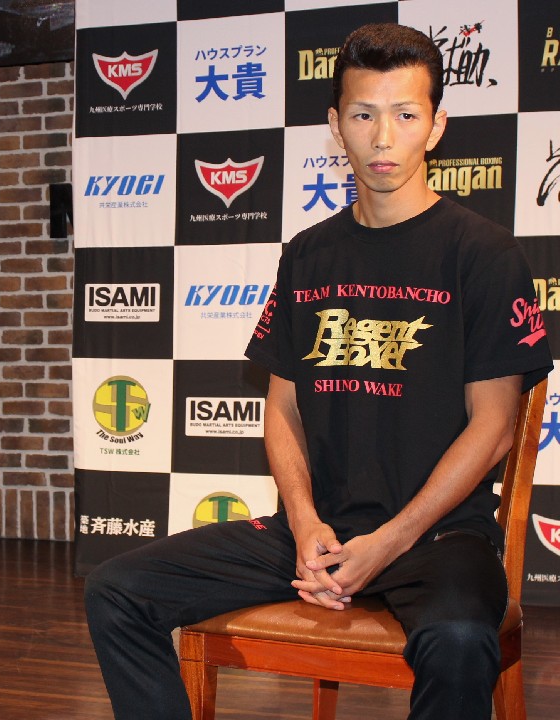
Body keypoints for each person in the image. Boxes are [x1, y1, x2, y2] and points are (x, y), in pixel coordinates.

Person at [85, 22, 552, 720]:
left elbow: (494, 428)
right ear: (336, 126)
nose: (383, 137)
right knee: (116, 590)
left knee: (458, 640)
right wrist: (304, 524)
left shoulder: (483, 254)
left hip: (436, 537)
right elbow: (282, 409)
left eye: (406, 115)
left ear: (436, 126)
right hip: (315, 534)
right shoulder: (308, 255)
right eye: (363, 115)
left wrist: (388, 543)